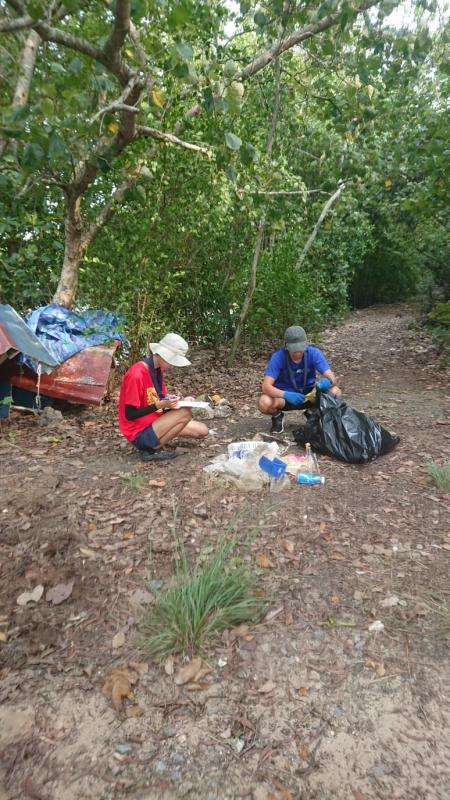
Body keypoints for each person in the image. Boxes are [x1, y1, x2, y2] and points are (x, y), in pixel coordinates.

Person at [118, 333, 208, 461]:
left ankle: (157, 440)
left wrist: (178, 401)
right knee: (185, 414)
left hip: (155, 421)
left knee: (202, 431)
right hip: (138, 432)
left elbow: (157, 398)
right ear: (161, 354)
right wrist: (162, 404)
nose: (173, 365)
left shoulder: (157, 369)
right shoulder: (137, 374)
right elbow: (130, 414)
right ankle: (151, 450)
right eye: (172, 360)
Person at [258, 325, 342, 434]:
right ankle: (277, 416)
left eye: (300, 350)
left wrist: (329, 382)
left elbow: (332, 378)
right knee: (264, 402)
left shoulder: (314, 353)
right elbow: (266, 387)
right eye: (294, 350)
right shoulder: (278, 357)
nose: (297, 353)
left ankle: (312, 413)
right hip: (285, 398)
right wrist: (285, 394)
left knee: (336, 392)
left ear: (306, 343)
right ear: (286, 346)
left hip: (309, 395)